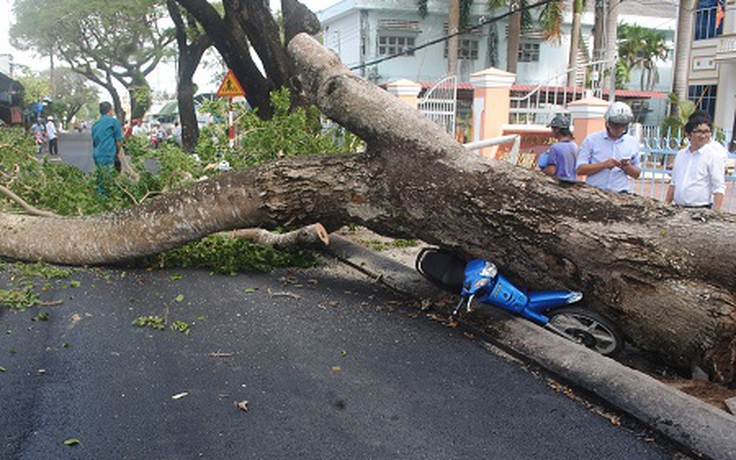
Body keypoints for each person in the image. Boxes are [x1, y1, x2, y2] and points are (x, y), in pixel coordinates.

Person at [576, 102, 641, 192]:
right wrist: (603, 165)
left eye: (623, 125)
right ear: (607, 123)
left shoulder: (632, 143)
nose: (619, 129)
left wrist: (627, 167)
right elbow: (580, 169)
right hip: (594, 192)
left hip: (620, 193)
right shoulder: (591, 140)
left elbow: (637, 174)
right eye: (616, 125)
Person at [665, 115, 726, 211]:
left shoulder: (713, 156)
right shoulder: (681, 155)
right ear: (688, 134)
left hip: (700, 209)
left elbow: (719, 187)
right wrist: (666, 205)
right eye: (698, 132)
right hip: (677, 208)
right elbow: (674, 183)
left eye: (707, 132)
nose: (703, 136)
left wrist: (715, 213)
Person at [91, 101, 123, 194]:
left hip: (97, 153)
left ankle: (99, 198)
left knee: (101, 177)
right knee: (107, 180)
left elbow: (95, 141)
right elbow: (118, 141)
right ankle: (105, 202)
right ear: (110, 110)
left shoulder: (96, 124)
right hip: (107, 154)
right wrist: (117, 153)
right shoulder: (113, 122)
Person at [541, 115, 578, 181]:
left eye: (553, 129)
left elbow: (551, 170)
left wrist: (541, 173)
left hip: (559, 184)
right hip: (573, 182)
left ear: (557, 130)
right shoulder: (574, 146)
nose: (552, 132)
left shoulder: (555, 148)